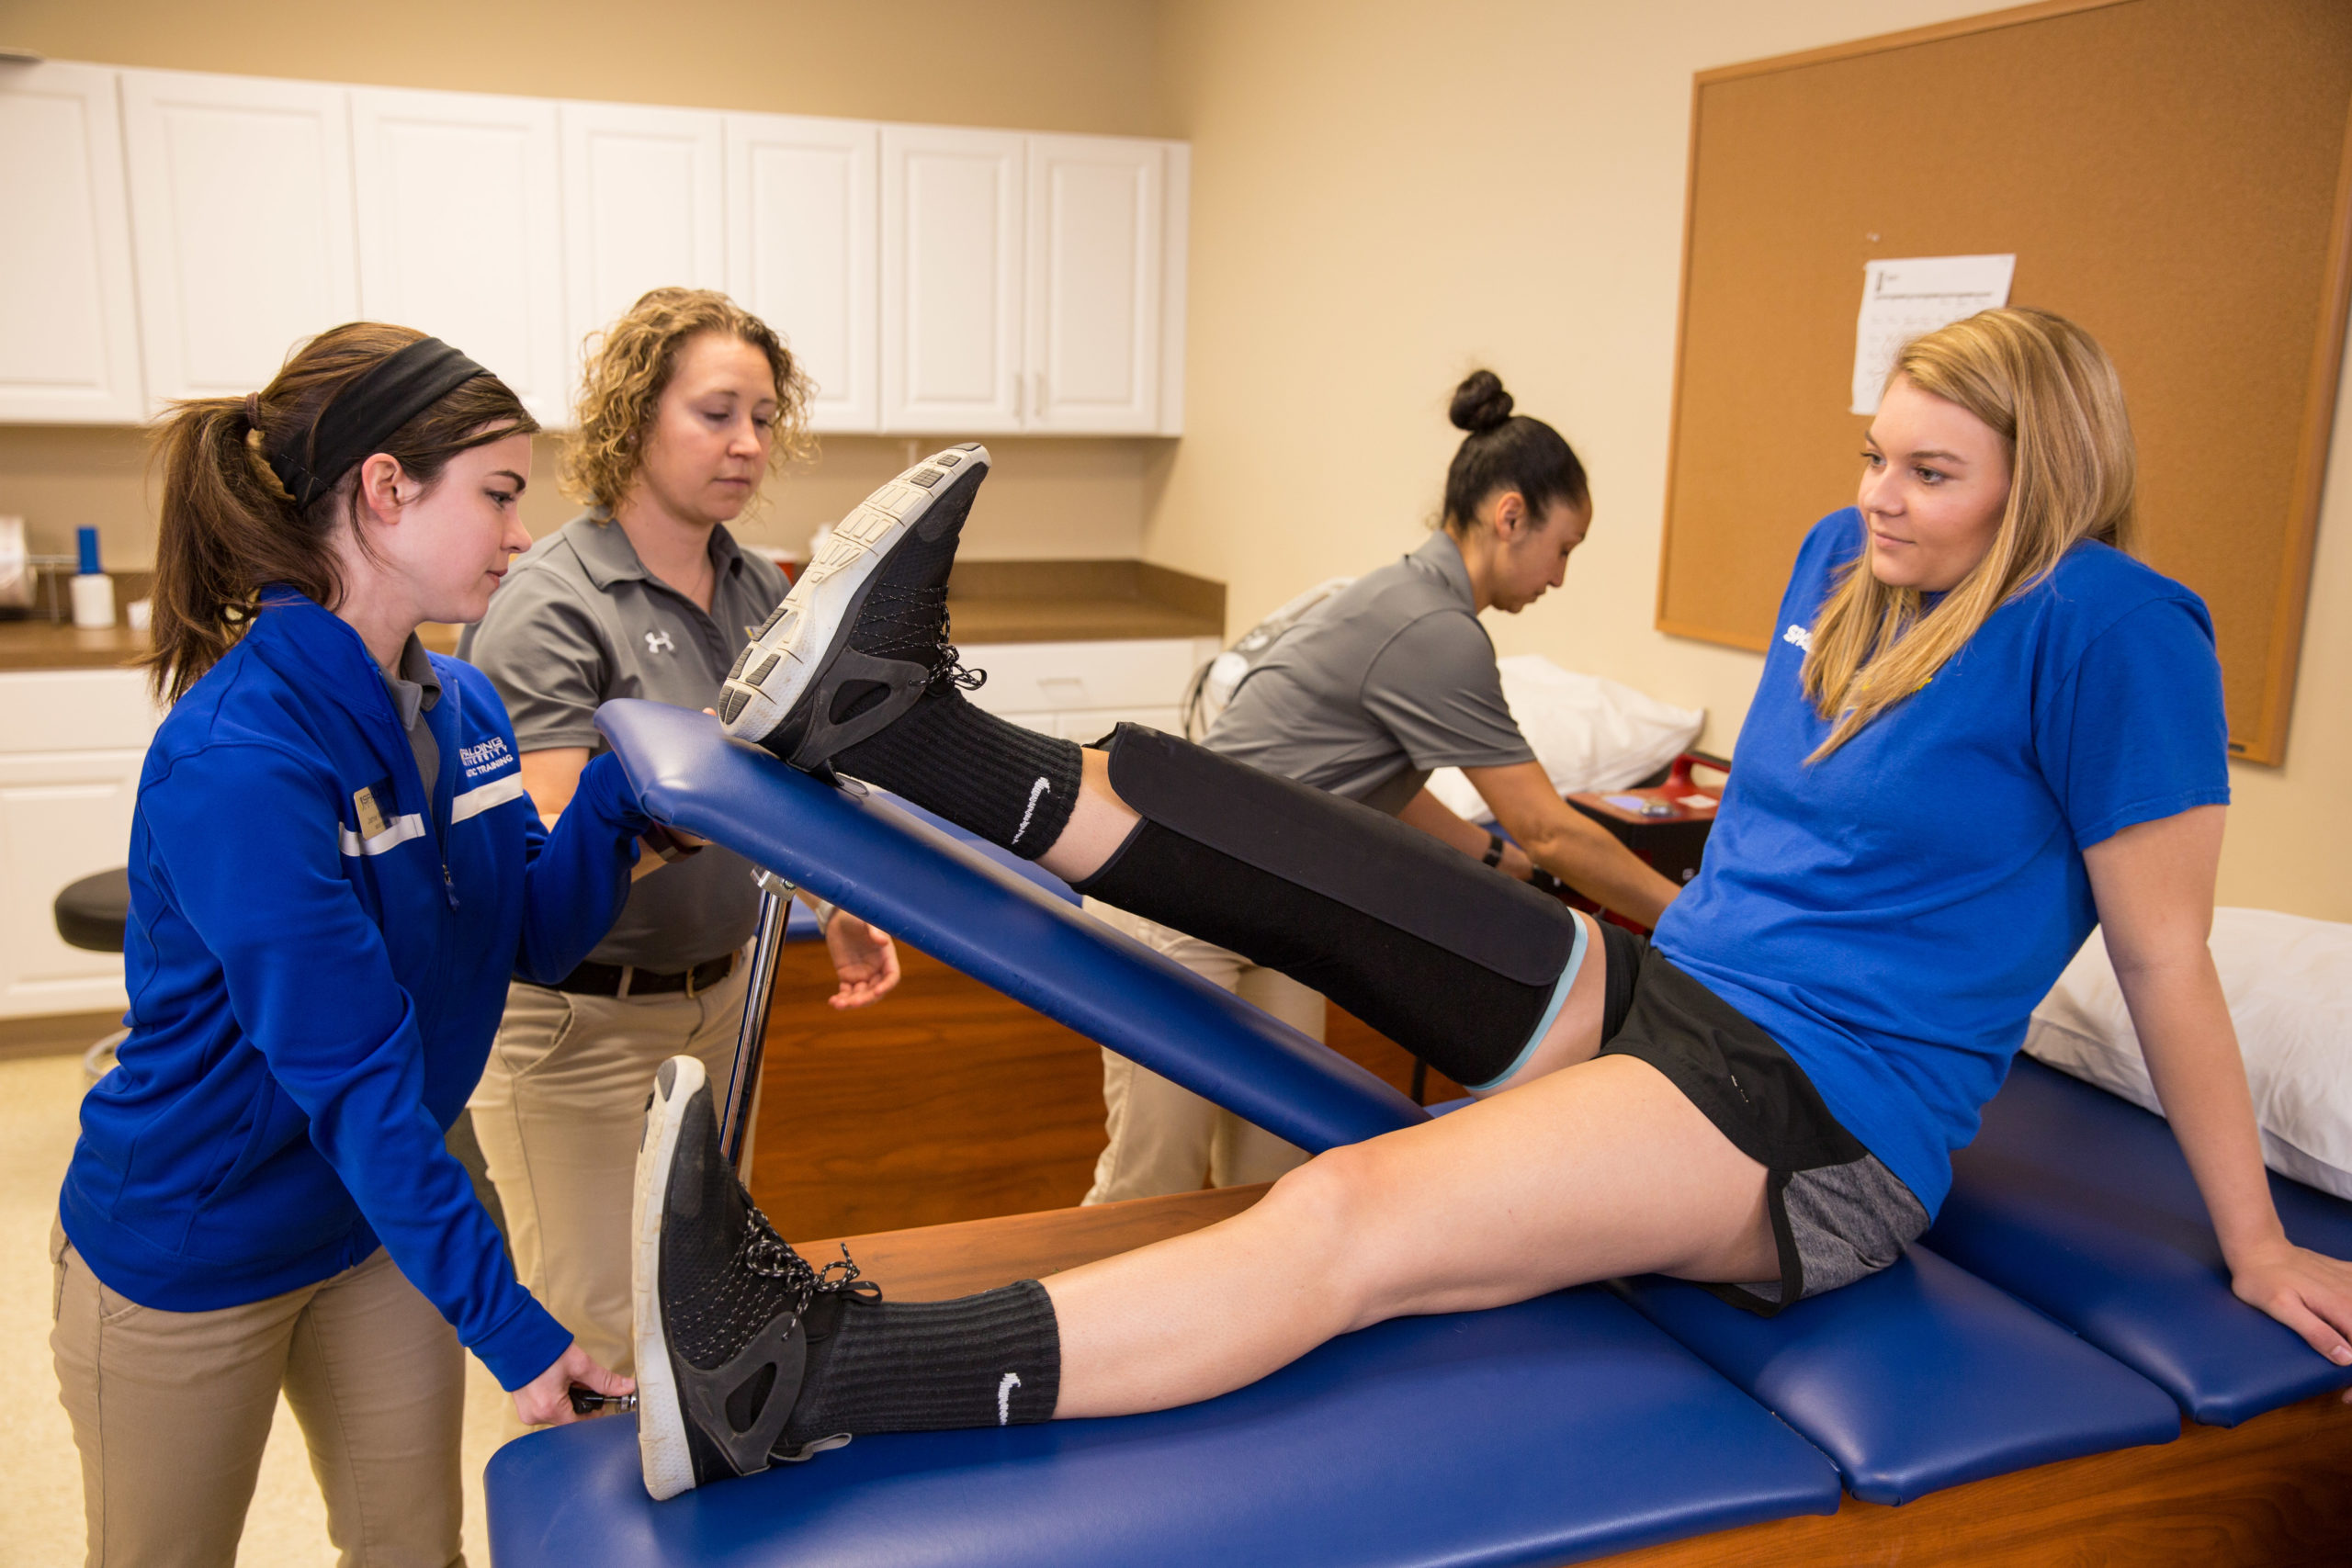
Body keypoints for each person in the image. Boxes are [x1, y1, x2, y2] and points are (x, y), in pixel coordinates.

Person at [641, 307, 2352, 1498]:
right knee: (1241, 822)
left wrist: (2259, 1241)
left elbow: (2166, 961)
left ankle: (797, 1378)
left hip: (1814, 1120)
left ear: (2042, 477)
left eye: (1929, 473)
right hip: (1674, 993)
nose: (1875, 500)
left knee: (1344, 1214)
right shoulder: (1848, 570)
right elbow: (1770, 848)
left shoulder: (2120, 630)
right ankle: (890, 718)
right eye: (1874, 457)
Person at [51, 325, 650, 1565]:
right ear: (385, 491)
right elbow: (358, 1080)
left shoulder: (464, 705)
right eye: (496, 494)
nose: (518, 533)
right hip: (194, 1239)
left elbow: (530, 931)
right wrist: (516, 1327)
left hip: (374, 1221)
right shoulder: (243, 756)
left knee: (412, 1548)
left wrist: (629, 795)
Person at [1084, 369, 1684, 1203]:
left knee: (1273, 1183)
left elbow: (1384, 784)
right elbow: (1550, 825)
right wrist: (1686, 921)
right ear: (1511, 516)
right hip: (1172, 891)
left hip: (1271, 910)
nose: (1559, 578)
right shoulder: (1435, 630)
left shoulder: (1408, 597)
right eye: (1564, 548)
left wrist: (1507, 866)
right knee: (1154, 1188)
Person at [460, 287, 901, 1380]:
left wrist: (831, 900)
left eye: (762, 417)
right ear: (634, 420)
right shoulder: (554, 600)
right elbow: (553, 842)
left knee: (699, 1311)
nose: (747, 444)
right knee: (605, 1346)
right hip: (574, 1031)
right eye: (716, 413)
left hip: (719, 1000)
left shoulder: (760, 588)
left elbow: (794, 774)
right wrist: (706, 803)